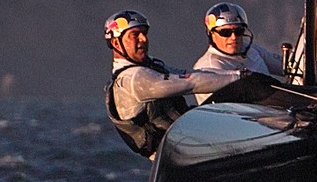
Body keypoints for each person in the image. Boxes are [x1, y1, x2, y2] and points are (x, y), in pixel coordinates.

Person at [104, 9, 246, 159]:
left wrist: (240, 74)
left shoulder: (149, 66)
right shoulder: (133, 79)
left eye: (144, 33)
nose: (143, 39)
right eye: (135, 35)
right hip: (180, 157)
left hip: (191, 145)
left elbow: (188, 74)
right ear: (115, 42)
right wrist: (238, 77)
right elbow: (191, 84)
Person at [193, 2, 285, 103]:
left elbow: (286, 67)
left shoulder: (250, 48)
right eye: (225, 33)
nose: (233, 37)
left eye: (238, 31)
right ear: (212, 34)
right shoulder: (208, 67)